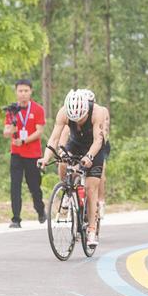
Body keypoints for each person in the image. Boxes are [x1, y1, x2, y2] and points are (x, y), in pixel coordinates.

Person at [39, 89, 110, 246]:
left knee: (91, 188)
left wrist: (89, 157)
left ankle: (91, 229)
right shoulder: (63, 112)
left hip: (94, 147)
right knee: (63, 161)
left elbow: (98, 141)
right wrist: (46, 157)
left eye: (81, 119)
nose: (77, 122)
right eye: (74, 119)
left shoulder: (97, 112)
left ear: (86, 110)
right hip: (76, 143)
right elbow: (55, 138)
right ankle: (67, 189)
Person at [2, 79, 46, 228]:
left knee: (34, 186)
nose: (23, 94)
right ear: (16, 92)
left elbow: (39, 131)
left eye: (26, 91)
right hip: (16, 154)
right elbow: (6, 132)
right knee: (15, 185)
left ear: (31, 91)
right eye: (20, 91)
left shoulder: (37, 109)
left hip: (33, 154)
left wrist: (24, 140)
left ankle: (40, 210)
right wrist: (11, 129)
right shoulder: (11, 110)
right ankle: (16, 218)